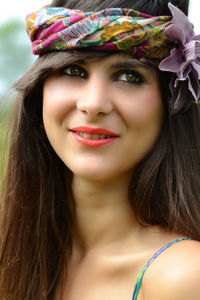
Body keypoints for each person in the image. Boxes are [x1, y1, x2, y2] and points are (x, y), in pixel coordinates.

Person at [0, 0, 200, 299]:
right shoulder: (13, 253)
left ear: (170, 102)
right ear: (40, 89)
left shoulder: (182, 277)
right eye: (73, 70)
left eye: (129, 76)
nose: (93, 104)